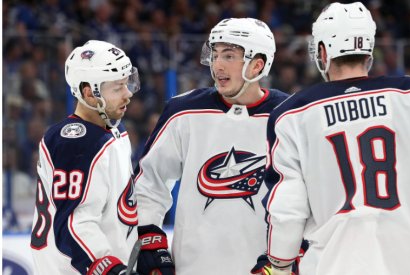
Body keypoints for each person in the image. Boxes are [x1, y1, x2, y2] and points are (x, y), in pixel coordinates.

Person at [263, 2, 410, 275]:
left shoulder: (292, 114)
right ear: (368, 47)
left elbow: (287, 210)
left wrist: (280, 265)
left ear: (323, 51)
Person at [133, 18, 288, 275]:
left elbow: (305, 195)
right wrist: (149, 236)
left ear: (257, 64)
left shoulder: (287, 117)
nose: (217, 65)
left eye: (229, 56)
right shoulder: (183, 111)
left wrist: (290, 254)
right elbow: (149, 182)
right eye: (214, 55)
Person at [30, 40, 140, 275]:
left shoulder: (112, 131)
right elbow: (74, 223)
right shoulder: (74, 141)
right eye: (118, 87)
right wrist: (109, 269)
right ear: (89, 93)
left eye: (127, 83)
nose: (128, 93)